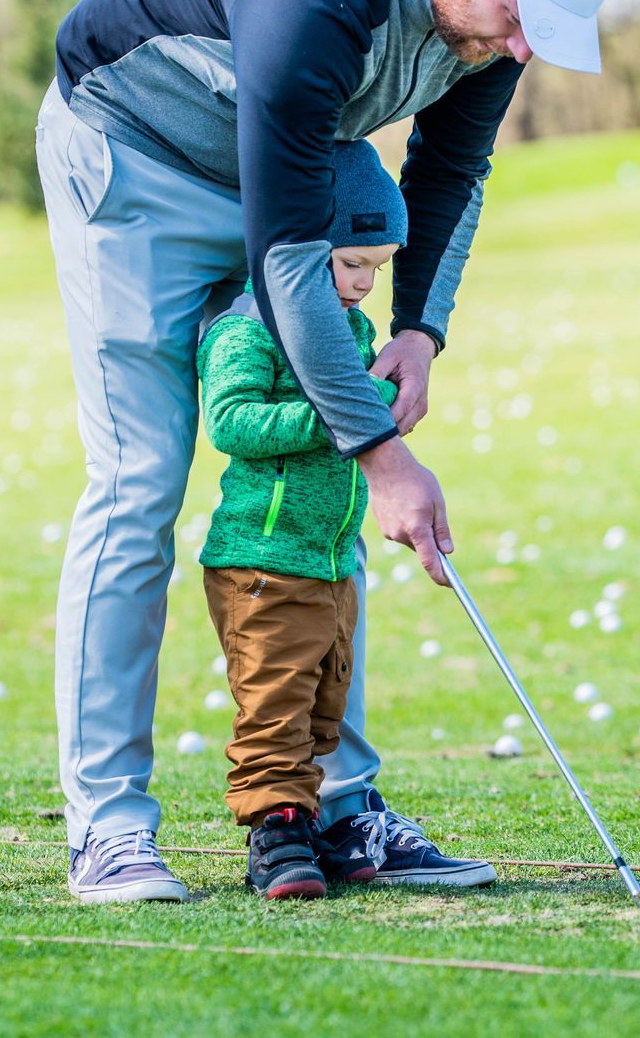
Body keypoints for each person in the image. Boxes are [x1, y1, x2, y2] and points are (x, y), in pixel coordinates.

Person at [35, 0, 628, 902]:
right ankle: (109, 828)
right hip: (132, 161)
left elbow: (450, 170)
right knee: (141, 477)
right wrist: (387, 455)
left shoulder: (494, 14)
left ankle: (337, 810)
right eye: (517, 13)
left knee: (321, 477)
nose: (522, 44)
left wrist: (421, 332)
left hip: (282, 179)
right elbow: (287, 257)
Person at [196, 145, 476, 896]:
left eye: (377, 269)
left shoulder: (351, 332)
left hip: (329, 560)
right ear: (304, 249)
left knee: (325, 700)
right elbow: (231, 423)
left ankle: (322, 824)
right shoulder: (247, 329)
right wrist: (336, 415)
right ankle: (275, 833)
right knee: (275, 703)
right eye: (351, 263)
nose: (362, 284)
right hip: (262, 559)